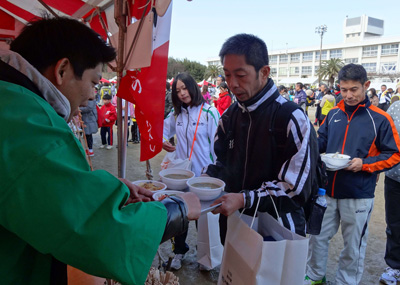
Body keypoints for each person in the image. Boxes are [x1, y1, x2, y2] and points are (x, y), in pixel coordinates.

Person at [0, 17, 201, 285]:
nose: (94, 95)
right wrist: (176, 208)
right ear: (62, 70)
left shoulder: (12, 102)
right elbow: (89, 227)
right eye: (94, 83)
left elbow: (50, 191)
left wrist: (112, 188)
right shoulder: (28, 123)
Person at [204, 33, 313, 245]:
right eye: (227, 75)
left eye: (240, 75)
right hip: (234, 223)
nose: (232, 84)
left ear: (264, 72)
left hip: (278, 229)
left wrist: (245, 198)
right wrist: (199, 182)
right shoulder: (229, 116)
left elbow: (295, 188)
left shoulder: (291, 117)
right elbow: (221, 164)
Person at [305, 64, 400, 285]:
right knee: (317, 237)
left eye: (354, 89)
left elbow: (394, 155)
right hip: (326, 189)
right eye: (343, 89)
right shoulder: (334, 113)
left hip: (359, 193)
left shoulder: (381, 118)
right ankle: (315, 276)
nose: (348, 95)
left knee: (353, 244)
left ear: (366, 86)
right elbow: (322, 142)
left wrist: (364, 164)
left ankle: (346, 282)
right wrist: (310, 147)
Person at [162, 72, 220, 270]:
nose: (182, 94)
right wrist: (163, 141)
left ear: (192, 88)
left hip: (204, 174)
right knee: (181, 212)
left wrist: (212, 170)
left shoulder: (209, 112)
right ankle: (179, 251)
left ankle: (206, 256)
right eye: (177, 91)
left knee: (204, 216)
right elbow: (163, 130)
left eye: (184, 88)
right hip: (181, 175)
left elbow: (217, 146)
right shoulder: (176, 113)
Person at [380, 100, 400, 285]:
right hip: (396, 177)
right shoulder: (396, 107)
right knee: (394, 223)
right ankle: (394, 266)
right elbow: (384, 140)